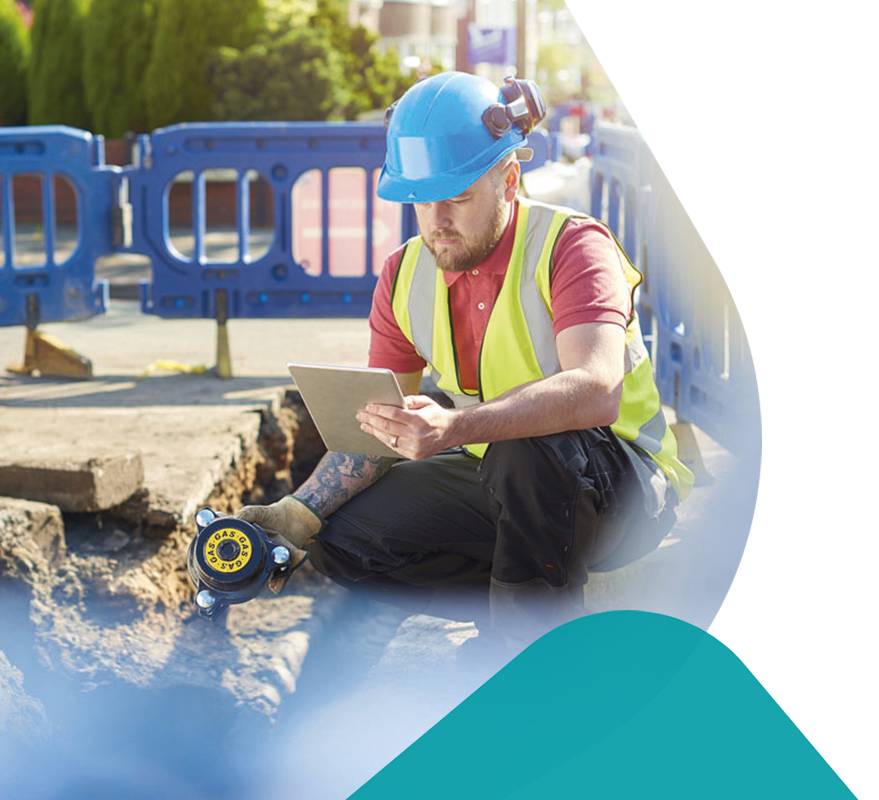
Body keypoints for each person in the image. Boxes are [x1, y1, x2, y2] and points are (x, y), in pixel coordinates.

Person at [236, 72, 693, 650]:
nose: (437, 221)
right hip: (509, 485)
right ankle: (524, 594)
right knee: (343, 537)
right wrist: (298, 513)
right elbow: (378, 423)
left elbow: (596, 388)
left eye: (456, 198)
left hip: (623, 491)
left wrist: (455, 427)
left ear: (509, 179)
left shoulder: (573, 247)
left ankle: (525, 642)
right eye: (421, 201)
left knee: (529, 443)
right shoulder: (403, 274)